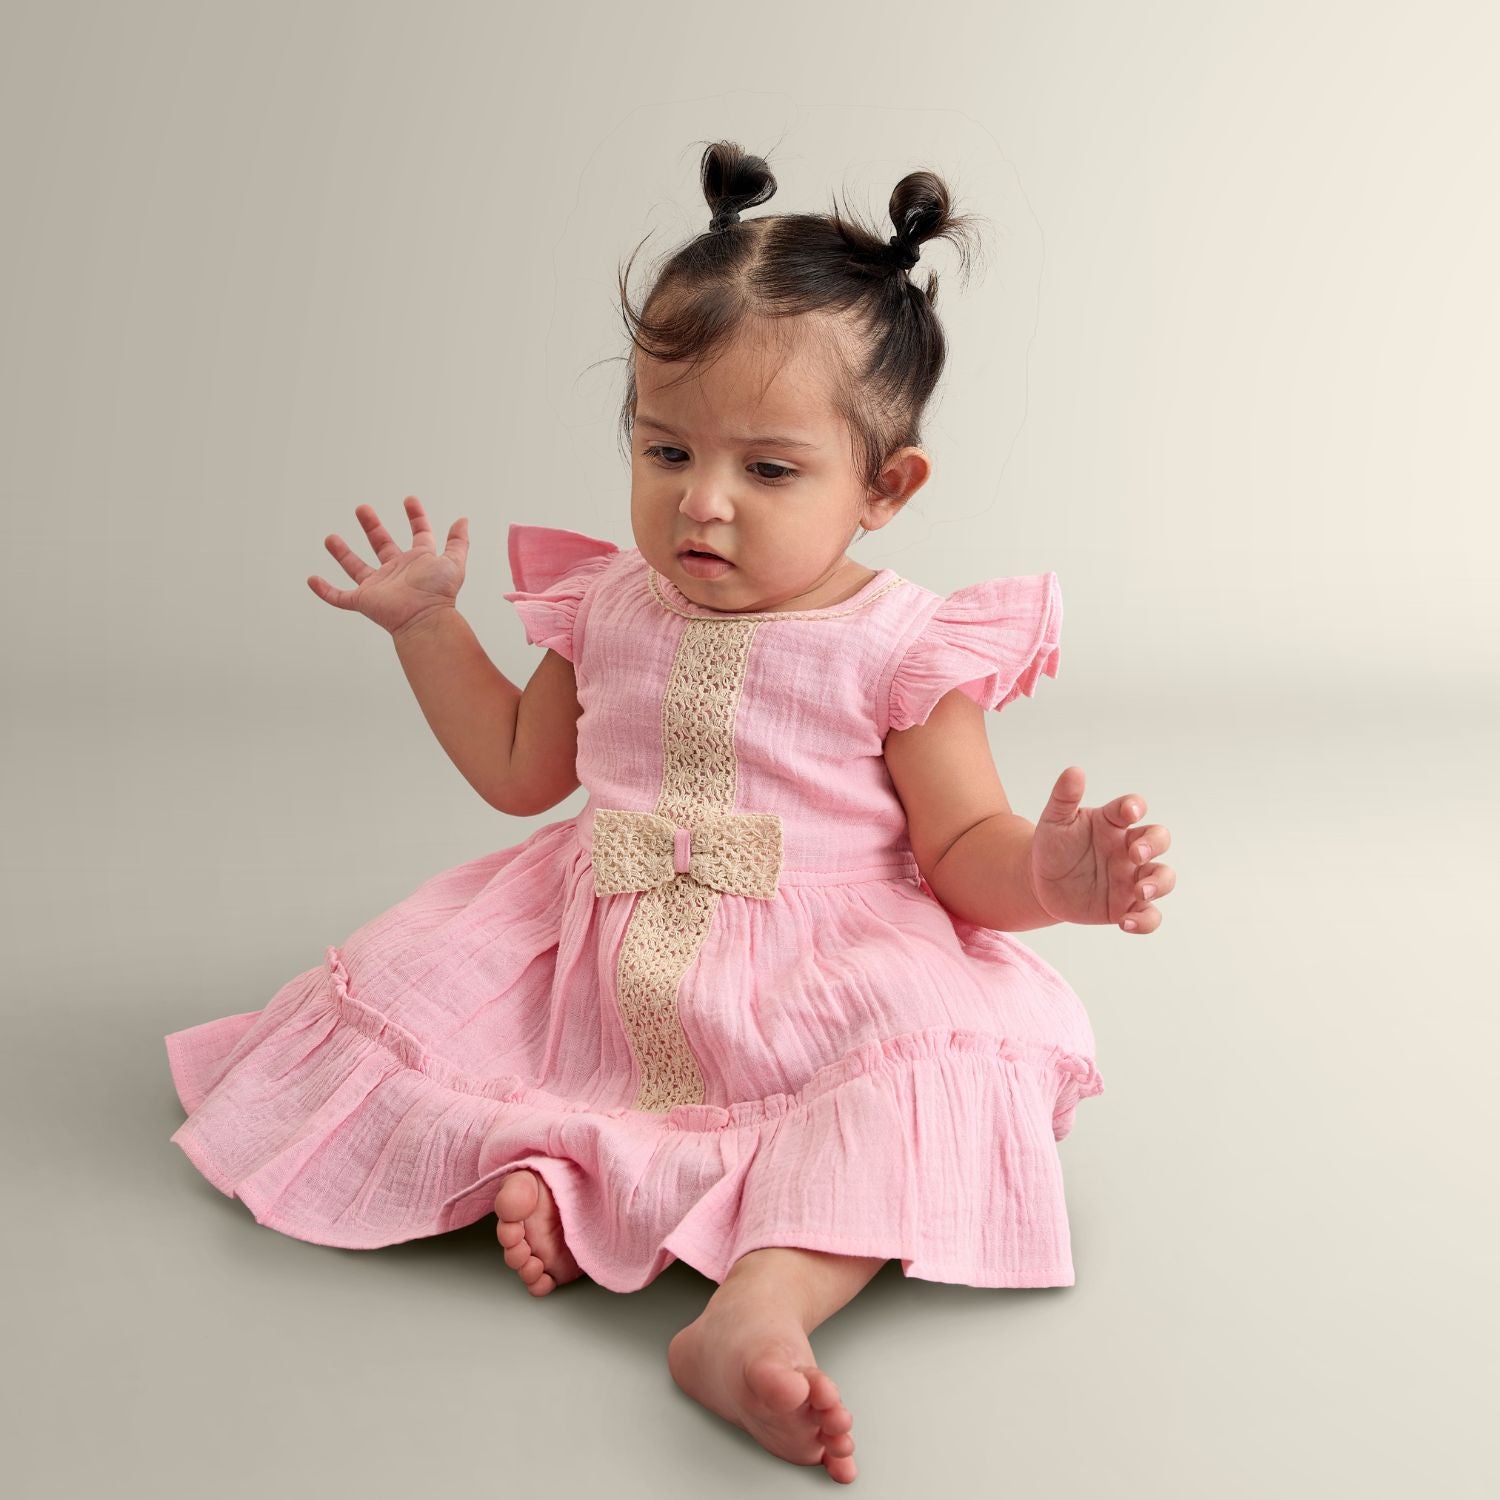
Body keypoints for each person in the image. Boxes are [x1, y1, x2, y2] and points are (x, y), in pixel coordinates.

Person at [163, 139, 1175, 1484]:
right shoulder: (607, 604)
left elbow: (959, 853)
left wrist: (1051, 877)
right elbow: (521, 770)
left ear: (885, 487)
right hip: (598, 953)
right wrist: (427, 629)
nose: (701, 501)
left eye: (770, 471)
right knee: (440, 1016)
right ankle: (562, 1171)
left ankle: (757, 1308)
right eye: (665, 448)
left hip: (817, 974)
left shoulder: (902, 648)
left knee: (925, 1070)